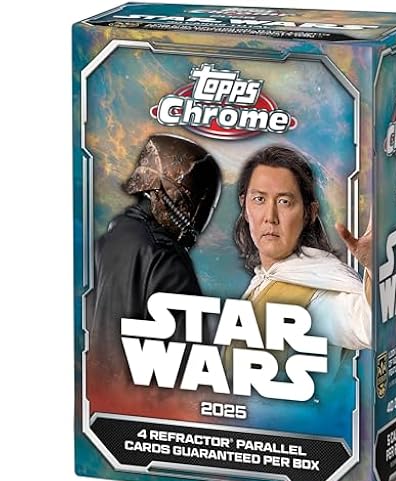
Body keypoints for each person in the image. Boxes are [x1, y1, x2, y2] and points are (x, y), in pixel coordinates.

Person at [228, 145, 372, 436]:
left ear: (309, 213)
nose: (270, 217)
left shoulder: (316, 288)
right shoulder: (267, 277)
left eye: (284, 202)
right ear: (245, 207)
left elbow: (365, 323)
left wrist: (377, 270)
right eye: (259, 199)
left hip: (290, 441)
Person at [86, 134, 221, 410]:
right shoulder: (165, 257)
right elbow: (189, 376)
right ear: (185, 198)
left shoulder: (105, 243)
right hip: (146, 417)